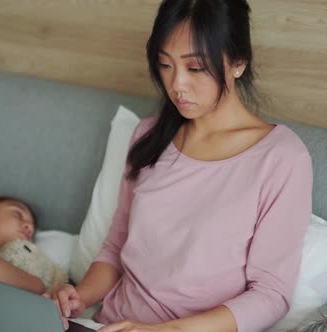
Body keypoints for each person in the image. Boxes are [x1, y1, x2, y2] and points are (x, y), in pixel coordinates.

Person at [53, 0, 313, 331]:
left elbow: (270, 295)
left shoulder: (282, 158)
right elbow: (116, 248)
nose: (176, 85)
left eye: (195, 68)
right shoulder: (148, 135)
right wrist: (80, 296)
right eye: (165, 64)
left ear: (238, 63)